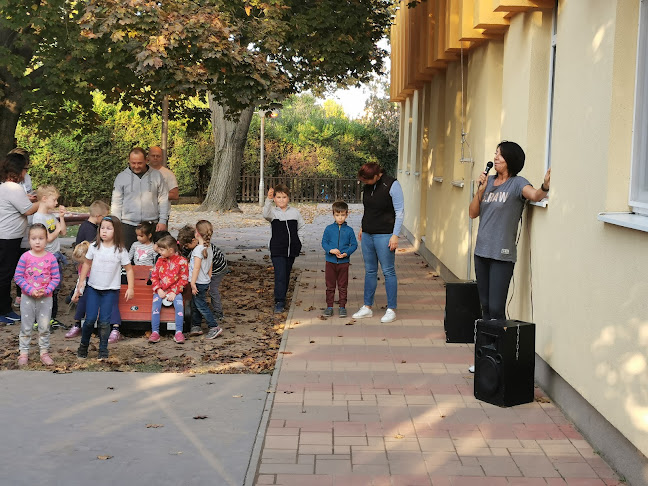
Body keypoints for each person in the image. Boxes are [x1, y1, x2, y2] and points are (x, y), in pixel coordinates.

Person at [469, 141, 551, 321]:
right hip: (481, 251)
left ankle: (499, 348)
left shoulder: (517, 183)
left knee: (497, 308)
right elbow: (473, 213)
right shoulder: (488, 182)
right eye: (495, 153)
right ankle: (487, 347)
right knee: (485, 306)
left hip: (502, 254)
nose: (495, 157)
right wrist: (480, 191)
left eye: (500, 154)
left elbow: (536, 195)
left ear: (510, 159)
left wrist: (545, 186)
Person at [73, 215, 135, 360]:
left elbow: (129, 269)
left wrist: (130, 287)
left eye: (109, 228)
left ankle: (103, 349)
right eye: (102, 228)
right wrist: (81, 283)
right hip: (93, 289)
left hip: (111, 290)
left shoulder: (120, 250)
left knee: (105, 322)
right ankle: (83, 346)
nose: (104, 231)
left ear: (116, 231)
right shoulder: (94, 247)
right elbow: (86, 264)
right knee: (90, 320)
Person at [352, 163, 404, 323]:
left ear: (376, 176)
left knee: (388, 271)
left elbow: (400, 211)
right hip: (368, 234)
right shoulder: (368, 186)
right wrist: (362, 227)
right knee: (370, 271)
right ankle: (367, 307)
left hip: (385, 235)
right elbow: (368, 209)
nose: (365, 183)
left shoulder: (392, 185)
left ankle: (391, 309)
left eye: (367, 180)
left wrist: (395, 235)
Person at [0, 152, 39, 324]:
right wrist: (43, 201)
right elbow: (28, 210)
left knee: (5, 273)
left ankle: (4, 308)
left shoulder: (5, 187)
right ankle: (4, 310)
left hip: (8, 236)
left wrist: (29, 200)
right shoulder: (13, 188)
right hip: (8, 238)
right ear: (18, 170)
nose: (26, 173)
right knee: (5, 274)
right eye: (25, 169)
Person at [14, 223, 61, 366]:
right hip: (28, 298)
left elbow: (56, 278)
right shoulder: (25, 257)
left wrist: (46, 291)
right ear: (29, 240)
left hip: (45, 298)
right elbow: (18, 277)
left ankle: (44, 352)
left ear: (46, 239)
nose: (37, 241)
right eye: (34, 238)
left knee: (44, 327)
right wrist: (30, 290)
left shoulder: (51, 258)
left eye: (41, 238)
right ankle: (23, 352)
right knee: (26, 327)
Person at [111, 147, 169, 250]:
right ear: (129, 161)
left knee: (154, 257)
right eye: (133, 163)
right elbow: (116, 202)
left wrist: (163, 220)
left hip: (152, 225)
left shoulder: (157, 176)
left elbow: (163, 199)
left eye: (140, 163)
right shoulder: (121, 177)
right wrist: (116, 224)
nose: (136, 166)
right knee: (128, 259)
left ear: (146, 160)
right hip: (128, 225)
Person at [263, 184, 305, 314]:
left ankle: (283, 297)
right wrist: (268, 200)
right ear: (275, 199)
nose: (281, 200)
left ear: (288, 198)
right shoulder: (273, 213)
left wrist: (299, 241)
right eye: (278, 197)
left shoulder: (295, 212)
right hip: (277, 250)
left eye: (284, 197)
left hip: (291, 249)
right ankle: (279, 301)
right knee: (280, 274)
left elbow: (302, 227)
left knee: (286, 274)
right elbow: (265, 214)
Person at [31, 185, 67, 329]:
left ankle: (51, 317)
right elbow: (47, 239)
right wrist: (57, 229)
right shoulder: (38, 218)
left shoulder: (51, 216)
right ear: (44, 199)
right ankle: (38, 320)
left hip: (55, 256)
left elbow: (63, 231)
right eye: (54, 200)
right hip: (45, 258)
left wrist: (62, 218)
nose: (56, 203)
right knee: (43, 287)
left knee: (54, 287)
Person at [178, 224, 228, 320]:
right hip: (207, 269)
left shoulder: (202, 249)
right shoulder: (193, 245)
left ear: (193, 240)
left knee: (213, 289)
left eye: (186, 245)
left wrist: (206, 279)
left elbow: (203, 266)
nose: (186, 248)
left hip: (218, 269)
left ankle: (218, 313)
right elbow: (183, 256)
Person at [10, 147, 37, 310]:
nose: (26, 171)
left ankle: (22, 294)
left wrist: (31, 197)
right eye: (24, 167)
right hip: (12, 225)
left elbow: (27, 194)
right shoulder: (7, 182)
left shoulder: (27, 178)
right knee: (11, 264)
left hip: (26, 223)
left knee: (25, 259)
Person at [149, 235, 189, 344]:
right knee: (155, 307)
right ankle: (155, 332)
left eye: (162, 250)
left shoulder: (182, 262)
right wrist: (158, 289)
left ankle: (179, 332)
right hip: (161, 290)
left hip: (175, 291)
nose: (160, 252)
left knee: (179, 307)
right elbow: (154, 276)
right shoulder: (160, 260)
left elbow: (184, 279)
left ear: (170, 250)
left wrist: (174, 292)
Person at [321, 201, 357, 317]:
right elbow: (324, 242)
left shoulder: (349, 230)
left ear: (347, 215)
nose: (340, 218)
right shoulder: (328, 229)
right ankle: (329, 306)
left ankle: (342, 306)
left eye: (342, 215)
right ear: (333, 215)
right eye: (337, 215)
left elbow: (354, 245)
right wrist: (330, 250)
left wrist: (346, 253)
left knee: (342, 285)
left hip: (343, 263)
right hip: (330, 262)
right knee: (330, 285)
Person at [188, 220, 222, 339]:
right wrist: (209, 277)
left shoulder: (198, 250)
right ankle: (196, 326)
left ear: (197, 233)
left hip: (197, 282)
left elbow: (196, 268)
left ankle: (214, 326)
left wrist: (192, 283)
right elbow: (210, 265)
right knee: (196, 303)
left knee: (201, 305)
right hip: (204, 281)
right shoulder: (209, 248)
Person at [65, 241, 91, 339]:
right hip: (84, 288)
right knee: (81, 302)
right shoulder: (80, 267)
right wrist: (77, 292)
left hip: (94, 288)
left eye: (81, 261)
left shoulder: (95, 266)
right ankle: (77, 324)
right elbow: (80, 280)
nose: (80, 264)